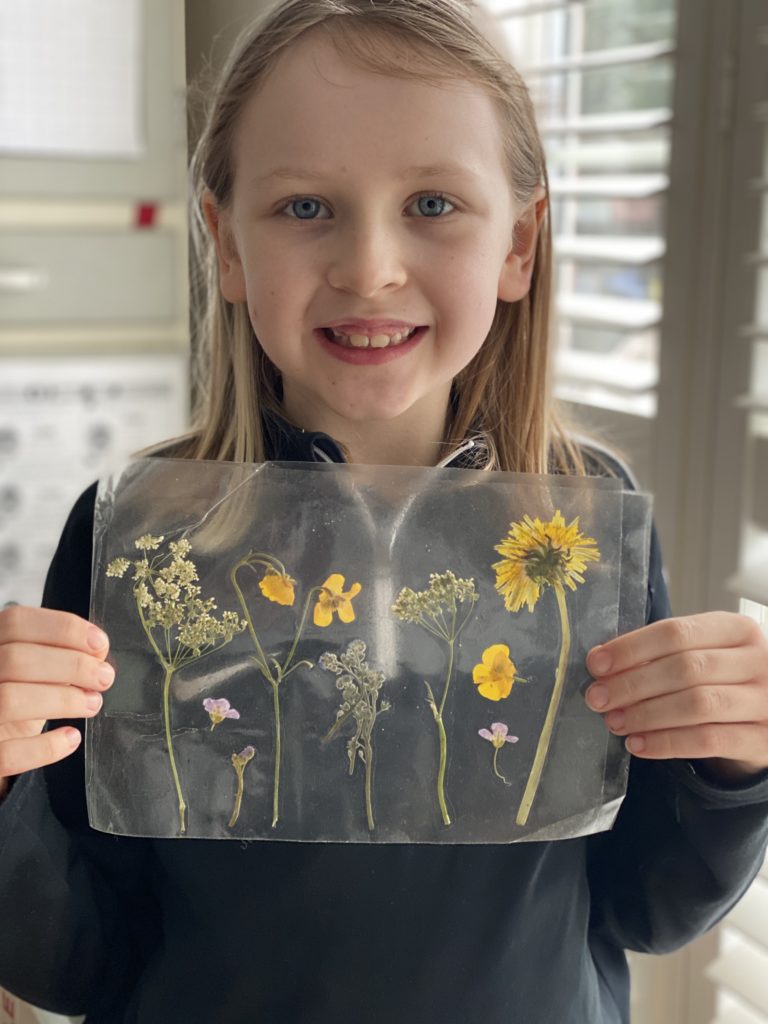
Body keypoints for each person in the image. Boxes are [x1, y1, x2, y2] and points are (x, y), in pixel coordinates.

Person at [1, 1, 767, 1020]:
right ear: (225, 245)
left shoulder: (583, 526)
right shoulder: (140, 538)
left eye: (435, 204)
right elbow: (80, 955)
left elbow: (647, 903)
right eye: (306, 208)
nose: (368, 268)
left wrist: (736, 765)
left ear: (519, 244)